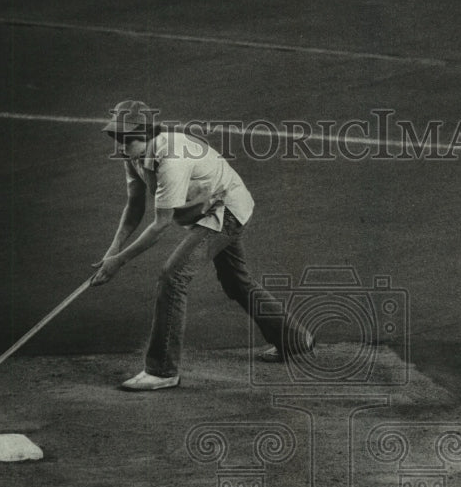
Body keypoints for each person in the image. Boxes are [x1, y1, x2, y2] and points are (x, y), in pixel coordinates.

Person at [91, 100, 312, 390]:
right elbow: (134, 206)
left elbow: (161, 223)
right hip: (210, 207)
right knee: (236, 283)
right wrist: (112, 249)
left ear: (145, 134)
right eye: (116, 137)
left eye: (126, 138)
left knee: (173, 276)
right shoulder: (132, 155)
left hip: (226, 209)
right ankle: (294, 340)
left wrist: (119, 261)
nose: (119, 145)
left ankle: (162, 370)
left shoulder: (172, 158)